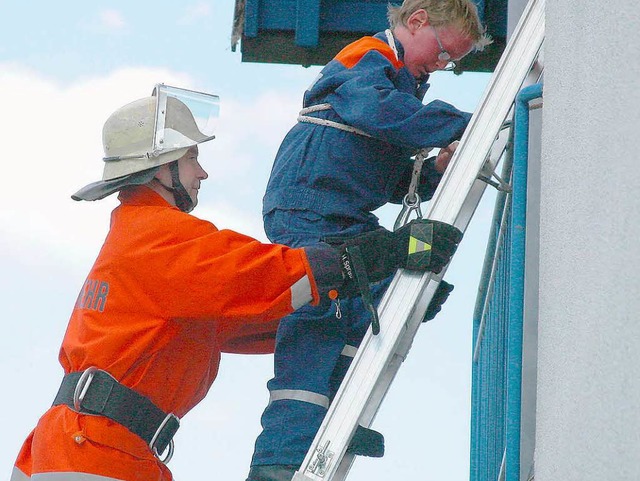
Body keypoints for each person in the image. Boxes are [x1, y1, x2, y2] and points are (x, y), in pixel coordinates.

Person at [9, 84, 462, 481]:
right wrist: (380, 254)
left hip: (84, 449)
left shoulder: (135, 236)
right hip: (94, 454)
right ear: (160, 169)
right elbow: (267, 275)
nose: (201, 172)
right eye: (191, 158)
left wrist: (377, 297)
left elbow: (260, 315)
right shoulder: (161, 238)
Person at [246, 1, 491, 480]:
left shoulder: (402, 90)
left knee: (381, 294)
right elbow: (374, 110)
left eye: (453, 62)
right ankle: (279, 456)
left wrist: (433, 172)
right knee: (318, 312)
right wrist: (468, 124)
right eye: (444, 53)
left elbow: (388, 174)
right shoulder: (369, 58)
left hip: (345, 213)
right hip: (307, 206)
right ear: (416, 20)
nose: (443, 65)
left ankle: (336, 416)